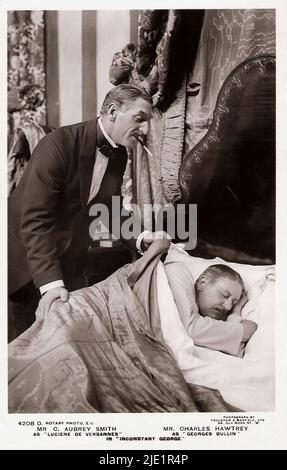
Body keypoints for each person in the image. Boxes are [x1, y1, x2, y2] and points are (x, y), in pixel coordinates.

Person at [8, 84, 163, 340]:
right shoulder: (57, 144)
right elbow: (35, 221)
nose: (145, 129)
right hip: (25, 266)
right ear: (113, 111)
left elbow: (110, 209)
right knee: (20, 353)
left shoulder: (119, 155)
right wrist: (51, 285)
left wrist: (141, 237)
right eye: (139, 119)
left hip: (68, 266)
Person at [164, 262, 258, 356]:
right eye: (224, 295)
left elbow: (236, 353)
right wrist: (243, 331)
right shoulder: (177, 270)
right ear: (203, 283)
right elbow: (192, 328)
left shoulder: (206, 324)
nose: (228, 306)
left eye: (234, 302)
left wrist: (236, 311)